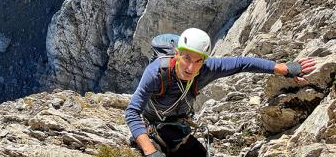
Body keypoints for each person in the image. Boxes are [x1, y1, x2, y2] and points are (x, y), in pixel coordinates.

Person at [125, 28, 316, 157]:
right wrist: (150, 151)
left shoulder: (208, 68)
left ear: (205, 61)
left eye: (198, 61)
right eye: (186, 58)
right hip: (151, 124)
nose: (191, 67)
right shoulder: (156, 72)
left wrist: (282, 68)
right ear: (177, 53)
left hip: (177, 124)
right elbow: (132, 112)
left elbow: (242, 63)